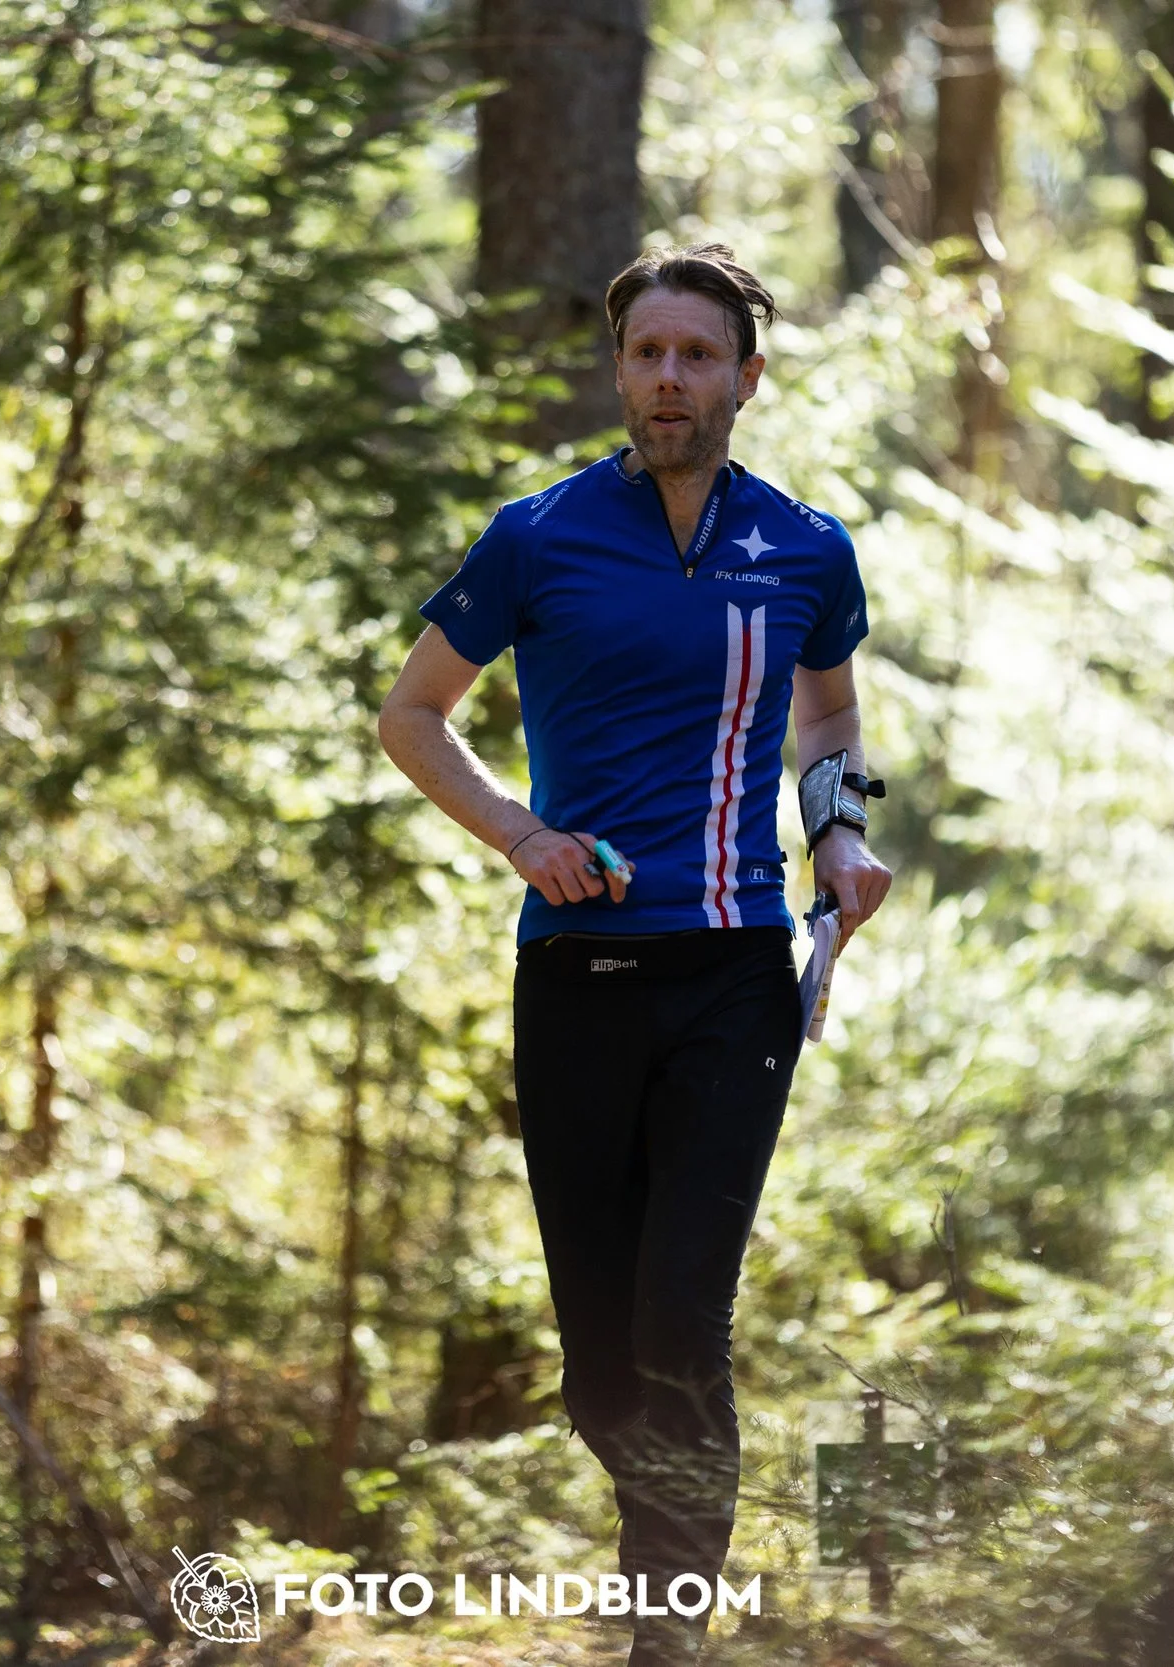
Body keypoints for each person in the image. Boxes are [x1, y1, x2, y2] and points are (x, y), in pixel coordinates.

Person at [377, 243, 894, 1665]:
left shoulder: (805, 547)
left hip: (735, 971)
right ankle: (669, 1559)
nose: (670, 378)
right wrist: (521, 833)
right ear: (621, 371)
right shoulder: (535, 537)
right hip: (580, 978)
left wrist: (839, 846)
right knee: (604, 1374)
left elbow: (830, 724)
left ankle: (662, 1630)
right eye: (649, 354)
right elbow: (415, 715)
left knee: (682, 1330)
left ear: (747, 376)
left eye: (699, 355)